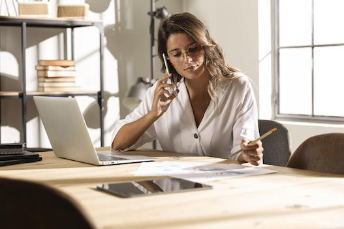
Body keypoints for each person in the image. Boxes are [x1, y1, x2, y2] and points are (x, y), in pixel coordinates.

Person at [112, 12, 263, 165]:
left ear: (205, 47)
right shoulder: (161, 93)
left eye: (193, 49)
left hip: (223, 184)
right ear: (168, 59)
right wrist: (153, 114)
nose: (188, 60)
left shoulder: (237, 87)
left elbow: (243, 151)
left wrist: (248, 154)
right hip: (176, 185)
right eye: (177, 54)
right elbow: (118, 143)